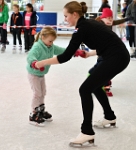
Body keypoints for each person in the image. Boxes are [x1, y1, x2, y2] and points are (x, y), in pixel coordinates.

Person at [35, 1, 130, 145]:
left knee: (85, 89)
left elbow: (66, 56)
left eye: (66, 16)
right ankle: (109, 116)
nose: (65, 19)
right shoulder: (87, 24)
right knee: (95, 86)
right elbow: (106, 43)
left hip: (116, 58)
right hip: (114, 56)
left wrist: (42, 62)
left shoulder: (82, 28)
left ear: (74, 14)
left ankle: (87, 132)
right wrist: (90, 54)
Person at [27, 27, 65, 126]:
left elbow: (61, 50)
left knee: (43, 92)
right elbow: (30, 56)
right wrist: (35, 63)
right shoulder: (37, 46)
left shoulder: (50, 46)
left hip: (41, 74)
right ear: (43, 37)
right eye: (50, 41)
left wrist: (73, 51)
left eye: (53, 41)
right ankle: (33, 114)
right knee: (37, 93)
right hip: (34, 73)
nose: (51, 43)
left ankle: (40, 110)